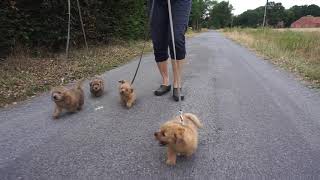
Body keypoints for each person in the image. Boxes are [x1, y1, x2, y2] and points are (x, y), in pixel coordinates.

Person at [150, 0, 192, 101]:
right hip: (156, 2)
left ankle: (177, 83)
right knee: (158, 40)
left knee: (176, 37)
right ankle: (165, 81)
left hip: (180, 2)